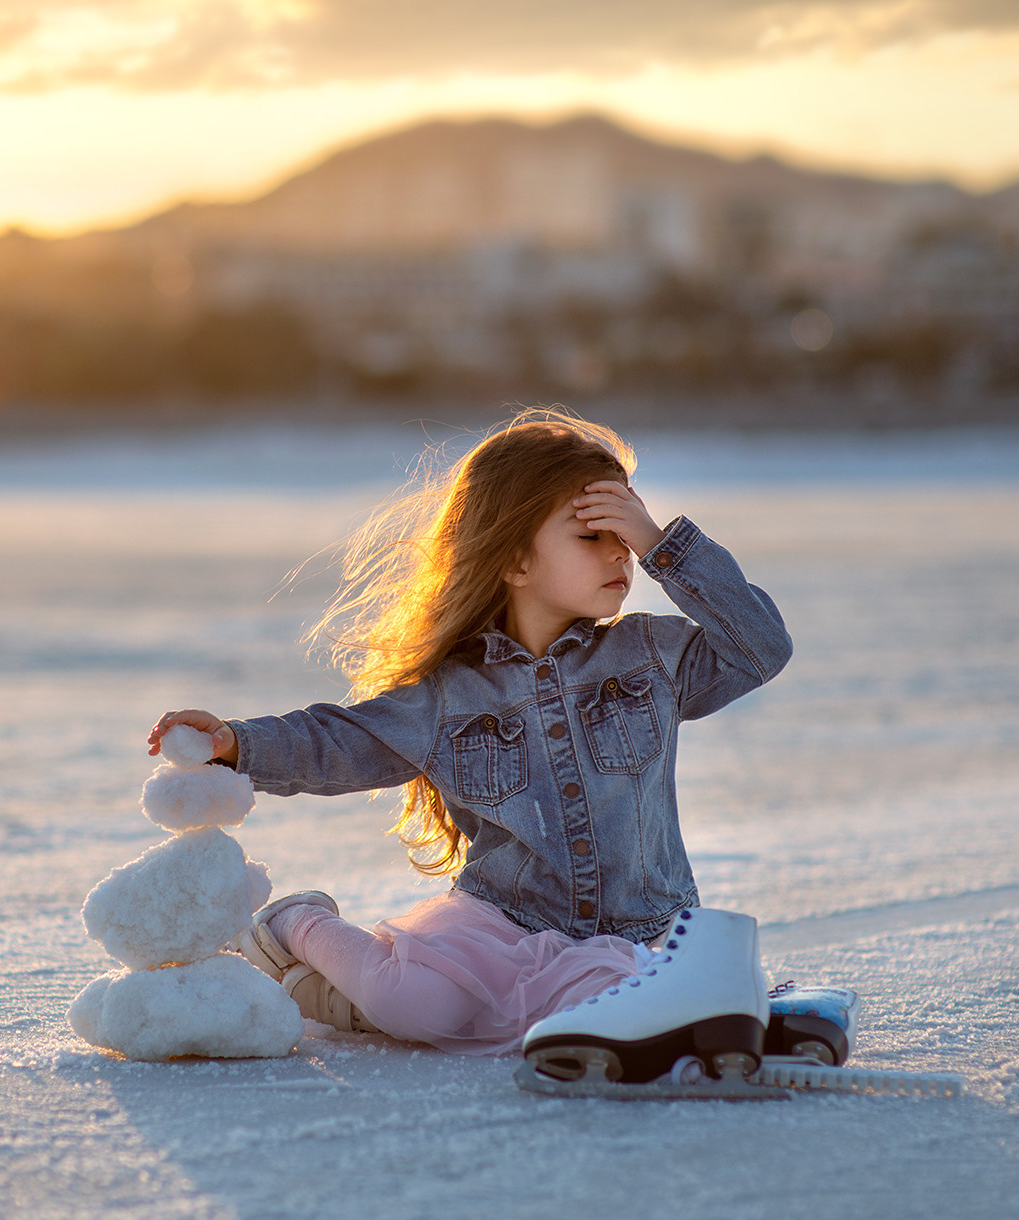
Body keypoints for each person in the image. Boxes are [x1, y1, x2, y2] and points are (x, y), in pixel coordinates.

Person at [145, 413, 792, 1072]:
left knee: (617, 989)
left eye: (625, 532)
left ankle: (332, 998)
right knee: (422, 1004)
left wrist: (663, 544)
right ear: (514, 557)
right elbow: (336, 740)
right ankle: (299, 924)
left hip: (639, 935)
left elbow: (761, 646)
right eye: (594, 533)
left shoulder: (651, 655)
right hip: (501, 927)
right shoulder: (449, 696)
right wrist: (236, 744)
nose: (618, 551)